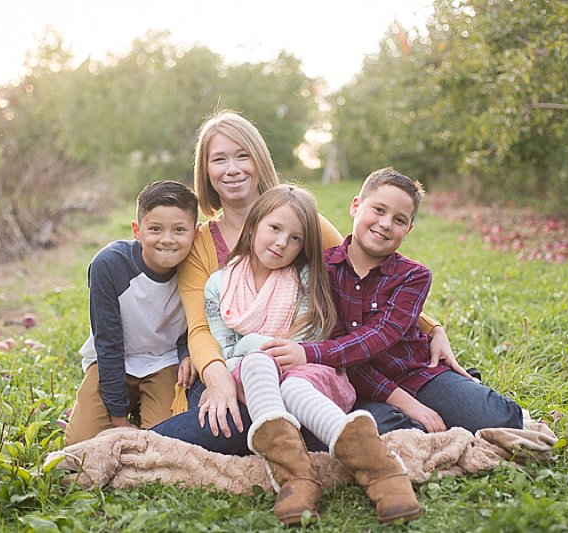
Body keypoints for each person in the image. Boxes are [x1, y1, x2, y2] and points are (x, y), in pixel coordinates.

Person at [151, 109, 460, 452]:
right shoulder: (200, 244)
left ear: (259, 161)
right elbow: (201, 329)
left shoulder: (300, 215)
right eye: (219, 159)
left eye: (243, 156)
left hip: (304, 368)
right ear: (205, 171)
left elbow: (355, 270)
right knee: (231, 415)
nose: (232, 169)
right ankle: (323, 433)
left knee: (297, 402)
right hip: (234, 368)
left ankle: (328, 431)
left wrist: (430, 327)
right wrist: (217, 377)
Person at [204, 184, 420, 525]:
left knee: (291, 385)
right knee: (257, 361)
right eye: (274, 229)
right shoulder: (219, 285)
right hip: (254, 375)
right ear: (254, 224)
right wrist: (261, 348)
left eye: (296, 239)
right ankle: (296, 478)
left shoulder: (305, 278)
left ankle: (381, 472)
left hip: (310, 372)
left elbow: (309, 338)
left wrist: (259, 347)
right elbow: (226, 350)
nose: (281, 243)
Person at [262, 168, 523, 434]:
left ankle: (462, 389)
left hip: (415, 373)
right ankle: (415, 417)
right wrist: (408, 405)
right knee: (394, 431)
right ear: (355, 206)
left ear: (408, 230)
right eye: (378, 210)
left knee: (502, 418)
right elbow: (343, 352)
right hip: (355, 382)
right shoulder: (321, 270)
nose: (386, 224)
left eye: (399, 220)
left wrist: (306, 353)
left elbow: (380, 335)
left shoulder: (413, 276)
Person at [64, 180, 199, 445]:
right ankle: (119, 408)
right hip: (116, 361)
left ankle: (145, 407)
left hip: (163, 362)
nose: (168, 240)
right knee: (79, 447)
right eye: (156, 229)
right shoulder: (110, 265)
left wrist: (187, 354)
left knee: (166, 444)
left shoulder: (195, 268)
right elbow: (109, 343)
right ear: (137, 230)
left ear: (195, 233)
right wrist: (118, 420)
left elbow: (195, 323)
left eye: (179, 230)